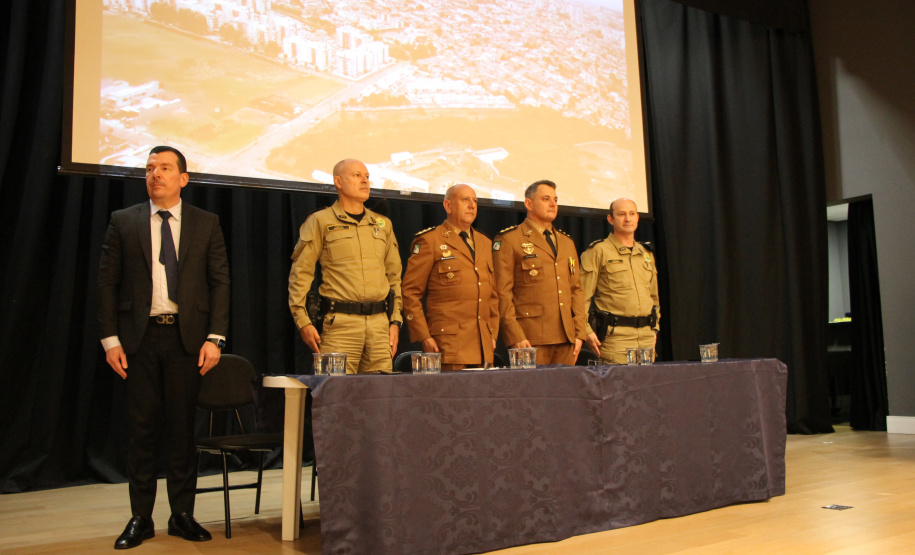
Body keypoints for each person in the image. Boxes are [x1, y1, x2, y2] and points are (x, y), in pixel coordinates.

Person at [98, 146, 229, 549]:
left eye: (165, 168)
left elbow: (220, 281)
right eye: (150, 168)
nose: (156, 174)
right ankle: (140, 517)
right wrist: (110, 340)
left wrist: (215, 337)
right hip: (138, 339)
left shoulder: (206, 223)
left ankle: (182, 515)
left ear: (183, 179)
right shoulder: (124, 221)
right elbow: (107, 282)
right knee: (142, 431)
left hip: (186, 340)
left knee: (180, 431)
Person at [288, 158, 403, 374]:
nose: (365, 181)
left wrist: (395, 321)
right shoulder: (320, 221)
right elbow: (301, 274)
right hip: (340, 327)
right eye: (357, 175)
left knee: (379, 400)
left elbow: (394, 276)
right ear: (338, 182)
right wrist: (302, 321)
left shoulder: (382, 224)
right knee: (337, 399)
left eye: (367, 176)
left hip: (380, 327)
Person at [402, 184, 499, 370]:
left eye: (475, 201)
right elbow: (410, 292)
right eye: (465, 200)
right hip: (448, 344)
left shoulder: (485, 243)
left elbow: (492, 294)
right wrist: (424, 336)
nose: (472, 205)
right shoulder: (431, 240)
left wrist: (492, 333)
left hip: (483, 345)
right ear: (448, 206)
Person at [493, 180, 587, 365]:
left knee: (565, 393)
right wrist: (514, 335)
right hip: (529, 338)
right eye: (546, 199)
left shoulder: (567, 243)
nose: (553, 204)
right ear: (528, 204)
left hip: (566, 338)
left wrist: (579, 333)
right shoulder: (510, 239)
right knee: (533, 393)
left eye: (555, 200)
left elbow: (576, 290)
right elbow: (501, 293)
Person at [581, 198, 660, 364]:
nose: (628, 219)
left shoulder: (646, 253)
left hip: (646, 338)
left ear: (638, 217)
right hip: (616, 340)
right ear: (611, 219)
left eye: (632, 214)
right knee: (618, 388)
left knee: (647, 388)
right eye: (621, 214)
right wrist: (585, 330)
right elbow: (582, 296)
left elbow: (654, 297)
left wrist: (655, 328)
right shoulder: (598, 251)